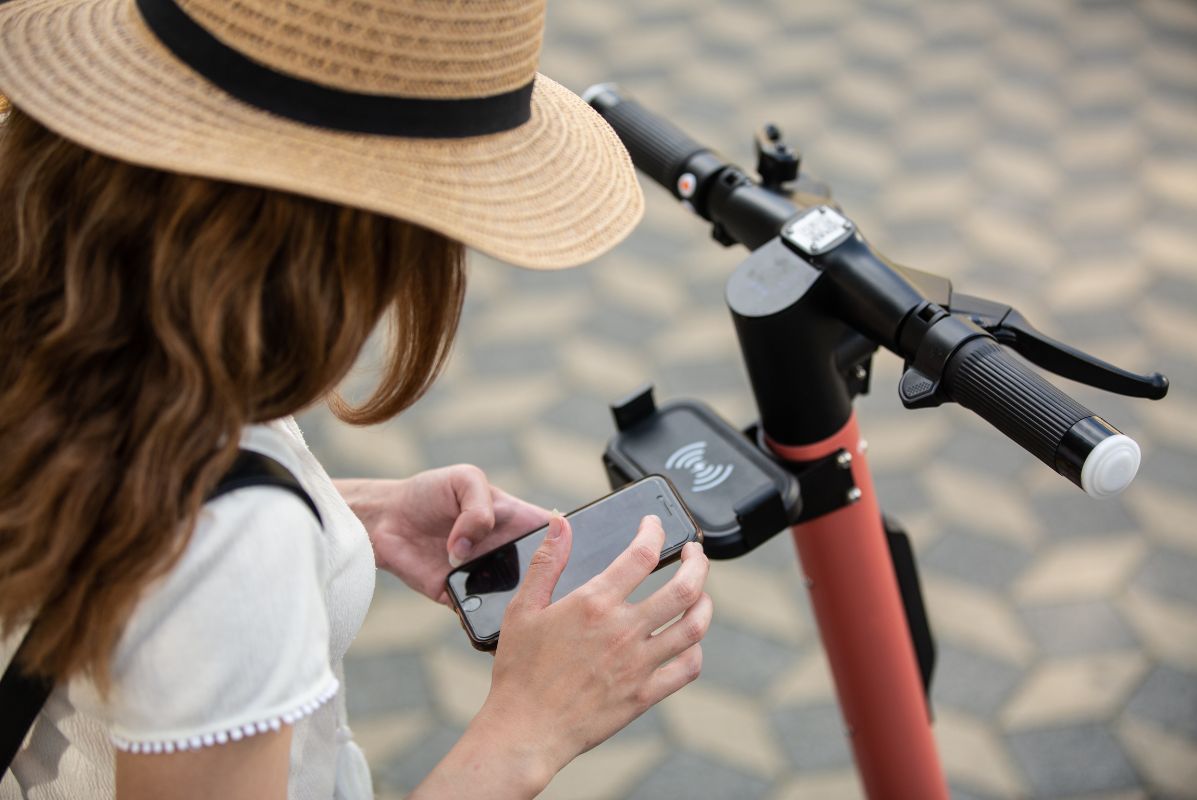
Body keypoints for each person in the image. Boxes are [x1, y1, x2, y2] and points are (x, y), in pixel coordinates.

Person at [0, 0, 714, 798]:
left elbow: (115, 501)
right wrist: (528, 729)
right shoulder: (236, 549)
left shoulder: (58, 279)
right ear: (353, 232)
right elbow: (206, 564)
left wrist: (347, 514)